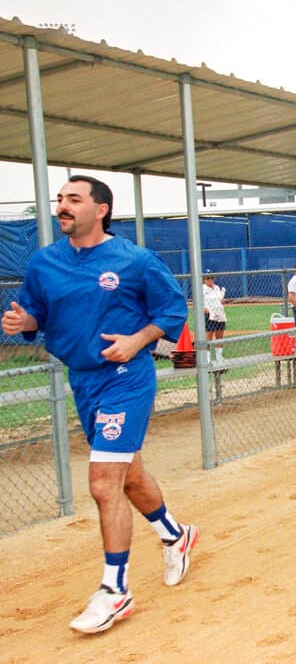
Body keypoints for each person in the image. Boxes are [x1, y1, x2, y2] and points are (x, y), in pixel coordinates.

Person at [1, 175, 198, 634]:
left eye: (74, 199)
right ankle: (176, 535)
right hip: (83, 380)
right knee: (128, 475)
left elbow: (171, 310)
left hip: (126, 379)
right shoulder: (44, 263)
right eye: (60, 200)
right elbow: (37, 313)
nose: (62, 207)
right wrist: (21, 319)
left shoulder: (134, 261)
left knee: (103, 483)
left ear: (101, 209)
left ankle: (115, 590)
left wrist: (138, 340)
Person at [202, 270, 227, 363]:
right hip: (210, 314)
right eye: (207, 278)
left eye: (212, 277)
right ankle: (207, 358)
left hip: (219, 313)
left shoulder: (216, 288)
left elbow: (220, 299)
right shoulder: (202, 289)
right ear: (204, 279)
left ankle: (219, 357)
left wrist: (222, 301)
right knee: (209, 336)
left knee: (219, 336)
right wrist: (204, 308)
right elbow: (199, 301)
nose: (210, 280)